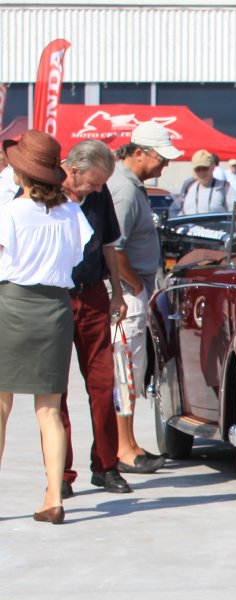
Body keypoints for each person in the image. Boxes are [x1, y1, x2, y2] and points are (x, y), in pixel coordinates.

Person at [0, 130, 93, 523]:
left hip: (12, 305)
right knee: (50, 411)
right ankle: (54, 497)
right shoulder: (72, 213)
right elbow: (76, 258)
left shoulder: (9, 212)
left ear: (21, 173)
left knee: (1, 406)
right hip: (56, 308)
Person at [59, 139, 132, 496]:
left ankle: (106, 465)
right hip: (54, 299)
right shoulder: (46, 193)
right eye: (94, 182)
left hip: (92, 296)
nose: (100, 189)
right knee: (54, 391)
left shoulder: (99, 196)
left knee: (103, 384)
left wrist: (117, 291)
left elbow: (108, 245)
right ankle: (60, 473)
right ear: (73, 171)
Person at [107, 121, 177, 474]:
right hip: (127, 295)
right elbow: (115, 248)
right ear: (138, 153)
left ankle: (128, 442)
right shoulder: (124, 190)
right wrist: (136, 287)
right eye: (161, 158)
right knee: (126, 373)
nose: (166, 164)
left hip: (131, 291)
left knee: (131, 372)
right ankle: (123, 448)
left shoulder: (129, 186)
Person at [174, 150, 232, 216]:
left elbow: (235, 214)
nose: (201, 172)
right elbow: (180, 213)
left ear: (213, 167)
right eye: (198, 169)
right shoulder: (189, 187)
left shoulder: (224, 187)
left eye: (205, 168)